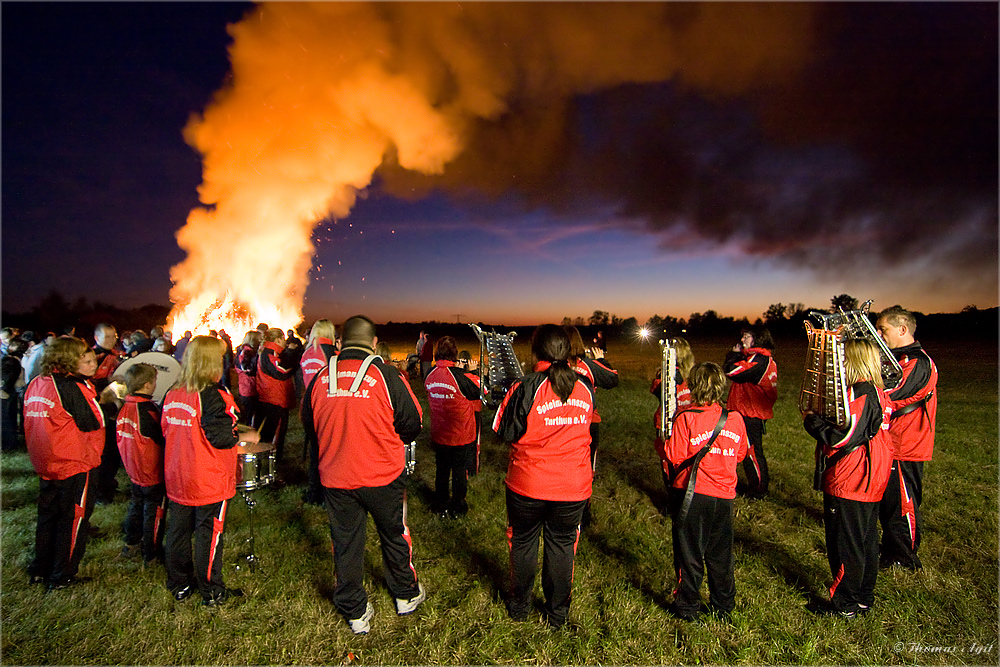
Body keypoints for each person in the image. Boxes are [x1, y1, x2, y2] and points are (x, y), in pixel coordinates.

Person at [301, 315, 425, 634]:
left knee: (346, 543)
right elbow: (413, 423)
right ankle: (405, 595)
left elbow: (308, 427)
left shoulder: (319, 377)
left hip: (336, 478)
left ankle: (355, 611)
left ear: (340, 344)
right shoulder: (387, 375)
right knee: (395, 535)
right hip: (383, 476)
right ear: (373, 344)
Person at [493, 324, 595, 629]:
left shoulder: (525, 386)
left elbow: (503, 430)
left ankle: (520, 605)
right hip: (572, 487)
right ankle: (557, 613)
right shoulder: (585, 386)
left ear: (536, 351)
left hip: (528, 484)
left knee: (523, 543)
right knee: (562, 546)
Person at [161, 335, 259, 606]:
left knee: (178, 531)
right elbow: (223, 437)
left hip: (177, 475)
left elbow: (167, 430)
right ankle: (212, 591)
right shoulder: (215, 395)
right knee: (209, 533)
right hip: (207, 478)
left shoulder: (173, 393)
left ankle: (179, 584)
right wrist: (244, 436)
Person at [804, 339, 893, 618]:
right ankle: (863, 597)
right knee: (865, 539)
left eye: (842, 358)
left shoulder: (860, 392)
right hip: (869, 472)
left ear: (852, 361)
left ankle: (846, 605)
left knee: (846, 542)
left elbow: (843, 436)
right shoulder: (877, 390)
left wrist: (811, 420)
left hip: (852, 475)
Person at [662, 362, 751, 622]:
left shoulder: (686, 417)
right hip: (723, 498)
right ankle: (723, 605)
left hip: (691, 496)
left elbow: (673, 455)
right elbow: (741, 454)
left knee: (689, 553)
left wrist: (661, 441)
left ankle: (688, 606)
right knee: (720, 554)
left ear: (692, 386)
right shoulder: (735, 419)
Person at [23, 336, 105, 590]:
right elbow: (93, 421)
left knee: (48, 516)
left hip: (46, 462)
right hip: (74, 462)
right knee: (73, 518)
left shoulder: (37, 382)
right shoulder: (71, 387)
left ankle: (40, 567)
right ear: (70, 360)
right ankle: (62, 575)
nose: (93, 364)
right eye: (85, 359)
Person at [875, 305, 938, 571]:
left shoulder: (918, 362)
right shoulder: (896, 358)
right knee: (888, 503)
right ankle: (891, 549)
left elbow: (891, 394)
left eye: (883, 329)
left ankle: (904, 557)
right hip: (890, 443)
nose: (878, 334)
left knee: (902, 504)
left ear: (902, 330)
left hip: (906, 445)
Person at [564, 325, 618, 526]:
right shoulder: (586, 365)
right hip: (587, 422)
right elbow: (612, 378)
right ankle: (583, 512)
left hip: (560, 421)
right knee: (585, 467)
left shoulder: (555, 365)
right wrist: (600, 360)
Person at [425, 335, 482, 518]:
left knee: (441, 470)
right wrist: (474, 372)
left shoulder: (430, 374)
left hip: (439, 433)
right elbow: (481, 392)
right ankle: (457, 507)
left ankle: (440, 505)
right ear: (455, 354)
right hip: (461, 435)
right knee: (458, 472)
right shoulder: (461, 377)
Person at [116, 363, 167, 565]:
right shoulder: (147, 411)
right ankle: (151, 553)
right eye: (154, 381)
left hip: (134, 469)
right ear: (147, 385)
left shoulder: (125, 407)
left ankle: (131, 543)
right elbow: (162, 436)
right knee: (154, 512)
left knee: (136, 506)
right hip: (151, 470)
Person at [723, 325, 777, 499]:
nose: (742, 340)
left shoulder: (759, 359)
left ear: (757, 339)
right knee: (746, 451)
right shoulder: (756, 358)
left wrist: (733, 355)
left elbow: (733, 371)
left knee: (752, 452)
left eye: (746, 336)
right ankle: (755, 486)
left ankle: (759, 490)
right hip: (746, 411)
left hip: (750, 413)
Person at [299, 319, 338, 504]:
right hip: (327, 407)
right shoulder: (332, 353)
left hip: (308, 406)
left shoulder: (307, 352)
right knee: (330, 452)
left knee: (315, 452)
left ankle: (313, 493)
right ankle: (327, 494)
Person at [651, 337, 695, 490]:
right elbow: (658, 391)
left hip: (682, 423)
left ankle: (677, 491)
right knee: (673, 460)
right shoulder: (667, 373)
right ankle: (674, 490)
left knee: (678, 460)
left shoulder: (692, 375)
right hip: (672, 422)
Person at [92, 323, 124, 503]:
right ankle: (100, 492)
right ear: (97, 338)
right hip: (100, 412)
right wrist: (108, 380)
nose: (112, 340)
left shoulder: (115, 356)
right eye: (108, 337)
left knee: (113, 451)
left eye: (114, 336)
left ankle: (108, 483)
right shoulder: (92, 358)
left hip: (114, 412)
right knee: (103, 453)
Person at [255, 328, 295, 460]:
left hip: (272, 398)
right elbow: (282, 371)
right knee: (274, 437)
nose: (285, 342)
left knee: (269, 434)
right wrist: (291, 353)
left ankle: (267, 463)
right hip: (274, 400)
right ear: (277, 339)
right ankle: (271, 465)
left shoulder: (270, 351)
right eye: (283, 339)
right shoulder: (270, 352)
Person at [234, 330, 263, 426]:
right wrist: (258, 355)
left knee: (254, 413)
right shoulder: (246, 352)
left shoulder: (247, 351)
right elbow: (247, 368)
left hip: (251, 387)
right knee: (250, 414)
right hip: (248, 388)